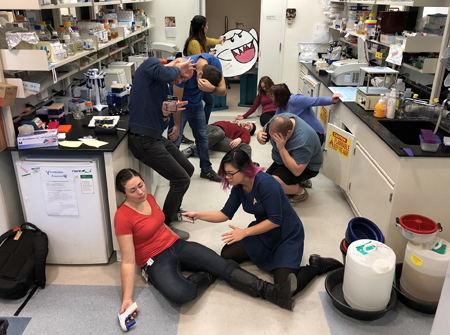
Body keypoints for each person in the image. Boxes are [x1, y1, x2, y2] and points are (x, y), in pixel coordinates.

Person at [115, 168, 300, 322]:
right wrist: (127, 299)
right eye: (133, 190)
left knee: (221, 263)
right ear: (124, 193)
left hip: (176, 245)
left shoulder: (149, 198)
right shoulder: (123, 217)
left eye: (140, 185)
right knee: (182, 293)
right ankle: (209, 274)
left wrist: (181, 243)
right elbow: (128, 261)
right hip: (153, 259)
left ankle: (271, 292)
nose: (140, 192)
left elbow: (161, 224)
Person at [182, 149, 342, 300]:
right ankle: (267, 257)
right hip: (263, 230)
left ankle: (316, 267)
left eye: (230, 174)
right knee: (227, 254)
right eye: (226, 174)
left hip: (287, 233)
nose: (227, 178)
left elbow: (275, 220)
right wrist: (198, 215)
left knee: (284, 288)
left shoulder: (266, 183)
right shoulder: (239, 187)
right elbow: (224, 214)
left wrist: (244, 233)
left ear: (244, 170)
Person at [127, 57, 195, 240]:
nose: (179, 82)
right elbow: (167, 73)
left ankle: (173, 211)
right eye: (181, 77)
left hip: (155, 137)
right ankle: (165, 226)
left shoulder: (161, 87)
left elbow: (161, 123)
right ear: (175, 66)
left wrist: (165, 114)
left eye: (182, 81)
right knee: (181, 180)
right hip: (143, 141)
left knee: (188, 169)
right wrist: (178, 68)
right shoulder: (151, 65)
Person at [168, 53, 227, 182]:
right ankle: (175, 174)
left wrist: (212, 89)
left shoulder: (214, 63)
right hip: (178, 102)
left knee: (202, 138)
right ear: (199, 75)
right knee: (175, 139)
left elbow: (223, 90)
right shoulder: (186, 68)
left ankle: (206, 170)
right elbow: (176, 101)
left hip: (196, 104)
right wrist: (177, 125)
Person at [257, 114, 323, 203]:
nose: (273, 140)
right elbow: (261, 131)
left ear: (288, 132)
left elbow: (296, 171)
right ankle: (299, 182)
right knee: (265, 181)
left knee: (275, 183)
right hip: (284, 159)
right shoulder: (278, 120)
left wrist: (281, 148)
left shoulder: (304, 140)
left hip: (306, 167)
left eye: (276, 138)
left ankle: (300, 192)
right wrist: (260, 137)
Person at [182, 15, 224, 143]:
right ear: (202, 27)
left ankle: (200, 126)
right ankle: (200, 127)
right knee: (206, 101)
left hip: (197, 78)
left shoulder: (200, 39)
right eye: (206, 25)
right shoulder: (194, 43)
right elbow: (199, 58)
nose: (208, 27)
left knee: (208, 101)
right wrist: (209, 55)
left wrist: (220, 40)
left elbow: (210, 40)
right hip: (193, 79)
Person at [271, 83, 341, 146]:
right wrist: (264, 130)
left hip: (315, 135)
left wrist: (331, 100)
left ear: (279, 97)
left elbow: (316, 101)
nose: (271, 98)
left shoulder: (297, 100)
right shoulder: (282, 104)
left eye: (272, 96)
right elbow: (275, 119)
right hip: (301, 133)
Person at [182, 120, 256, 159]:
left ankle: (246, 165)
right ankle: (192, 149)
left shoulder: (244, 131)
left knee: (246, 147)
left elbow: (247, 138)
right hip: (211, 129)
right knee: (220, 133)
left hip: (219, 139)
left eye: (249, 127)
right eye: (248, 123)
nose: (247, 125)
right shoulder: (233, 123)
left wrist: (240, 139)